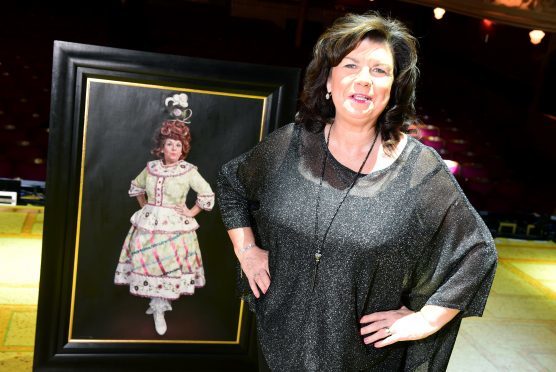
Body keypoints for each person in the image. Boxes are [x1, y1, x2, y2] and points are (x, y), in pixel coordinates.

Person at [217, 12, 497, 371]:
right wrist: (247, 249)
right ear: (329, 82)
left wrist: (425, 320)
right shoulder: (290, 144)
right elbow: (232, 182)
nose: (364, 80)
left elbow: (478, 252)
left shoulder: (420, 171)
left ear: (393, 89)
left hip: (365, 358)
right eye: (350, 65)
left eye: (379, 71)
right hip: (278, 345)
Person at [115, 118, 214, 336]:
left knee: (167, 264)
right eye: (170, 143)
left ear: (183, 149)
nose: (174, 149)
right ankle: (154, 303)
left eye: (178, 145)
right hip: (149, 223)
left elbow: (206, 193)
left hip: (174, 226)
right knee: (147, 261)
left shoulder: (187, 170)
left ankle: (160, 308)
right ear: (162, 147)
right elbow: (136, 187)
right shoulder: (151, 168)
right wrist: (146, 208)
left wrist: (190, 212)